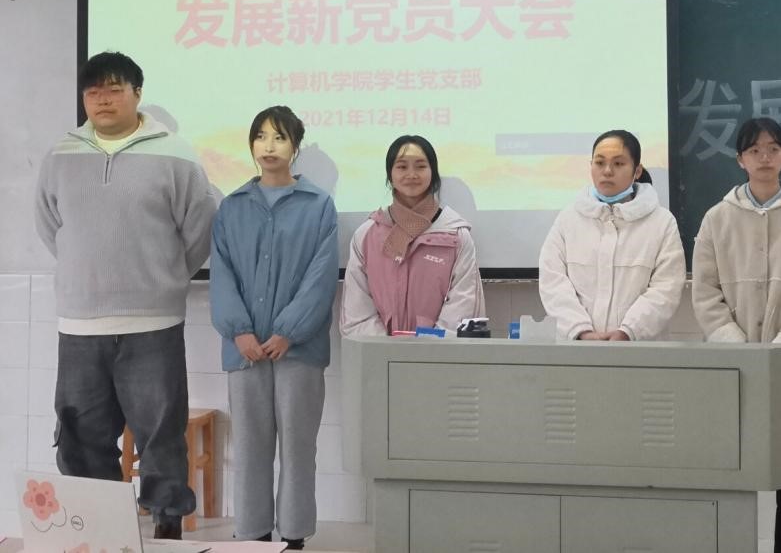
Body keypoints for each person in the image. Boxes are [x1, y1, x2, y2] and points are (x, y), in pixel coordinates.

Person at [33, 51, 217, 540]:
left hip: (152, 323)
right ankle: (96, 531)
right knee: (80, 436)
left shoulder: (176, 154)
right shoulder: (60, 155)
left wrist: (164, 278)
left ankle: (166, 527)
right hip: (79, 325)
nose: (103, 99)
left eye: (114, 89)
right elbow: (51, 226)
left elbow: (199, 227)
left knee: (161, 433)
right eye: (93, 91)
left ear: (137, 93)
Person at [691, 117, 781, 553]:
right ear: (740, 160)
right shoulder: (717, 219)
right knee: (732, 476)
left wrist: (776, 358)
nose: (764, 157)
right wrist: (742, 353)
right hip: (733, 369)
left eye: (773, 149)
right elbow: (705, 295)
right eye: (754, 150)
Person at [209, 106, 339, 550]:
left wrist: (288, 330)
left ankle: (295, 536)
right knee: (250, 448)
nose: (269, 146)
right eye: (261, 136)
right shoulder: (232, 207)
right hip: (244, 350)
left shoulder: (319, 205)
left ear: (295, 147)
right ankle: (254, 535)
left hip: (298, 350)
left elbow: (321, 277)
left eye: (280, 137)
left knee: (299, 449)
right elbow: (222, 274)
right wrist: (239, 331)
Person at [538, 130, 685, 340]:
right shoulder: (568, 219)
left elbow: (666, 288)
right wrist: (580, 330)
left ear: (637, 171)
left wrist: (629, 331)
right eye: (599, 163)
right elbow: (552, 281)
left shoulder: (661, 222)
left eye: (618, 163)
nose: (607, 171)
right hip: (578, 348)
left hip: (640, 349)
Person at [341, 135, 485, 336]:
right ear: (390, 175)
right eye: (402, 167)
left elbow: (463, 305)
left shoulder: (456, 235)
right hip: (379, 352)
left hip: (440, 352)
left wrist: (426, 347)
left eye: (420, 166)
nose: (411, 174)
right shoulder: (366, 235)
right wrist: (388, 348)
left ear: (433, 173)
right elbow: (357, 310)